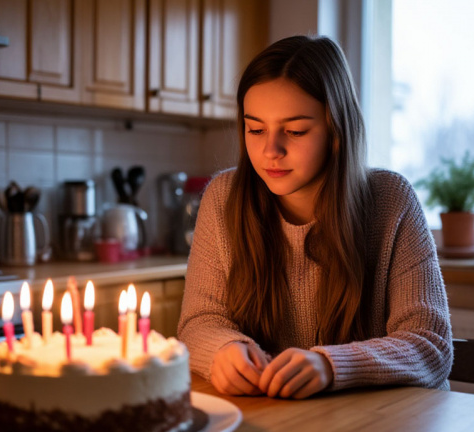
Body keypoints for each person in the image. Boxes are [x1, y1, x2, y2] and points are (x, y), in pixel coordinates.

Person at [177, 35, 452, 399]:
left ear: (336, 130)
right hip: (273, 420)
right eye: (255, 129)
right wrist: (223, 350)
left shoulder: (391, 199)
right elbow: (198, 322)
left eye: (294, 131)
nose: (270, 150)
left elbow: (429, 345)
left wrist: (331, 365)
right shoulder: (223, 197)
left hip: (377, 426)